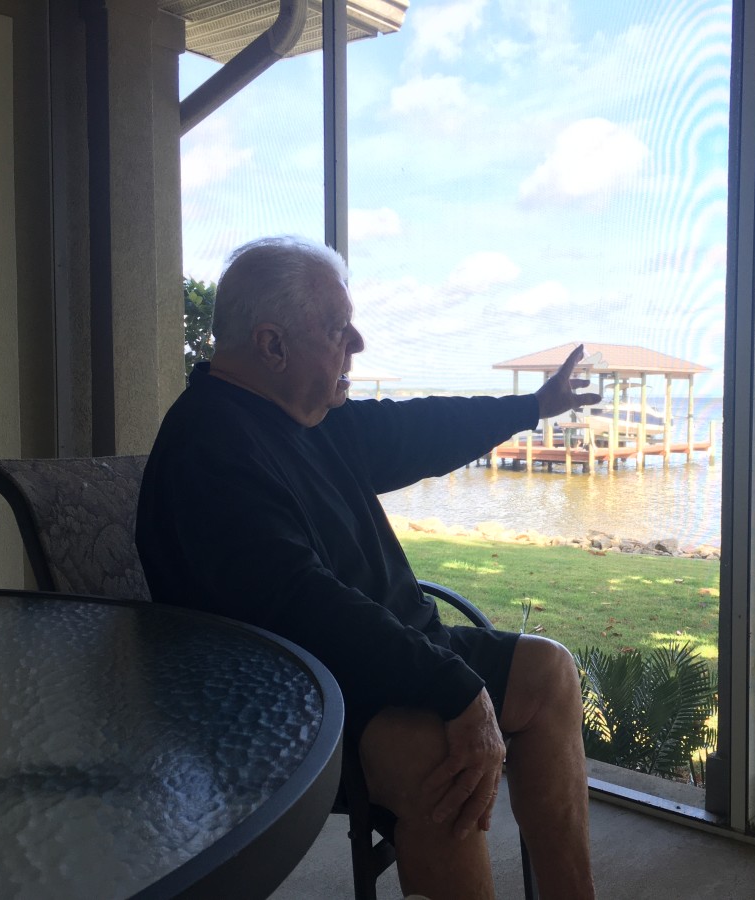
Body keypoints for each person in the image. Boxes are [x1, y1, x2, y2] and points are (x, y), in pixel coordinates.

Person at [136, 236, 600, 899]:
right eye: (337, 329)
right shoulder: (210, 451)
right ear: (273, 346)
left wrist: (531, 408)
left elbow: (420, 430)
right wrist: (456, 690)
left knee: (549, 671)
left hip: (386, 657)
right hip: (296, 694)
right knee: (439, 756)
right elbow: (303, 603)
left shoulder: (312, 417)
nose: (356, 343)